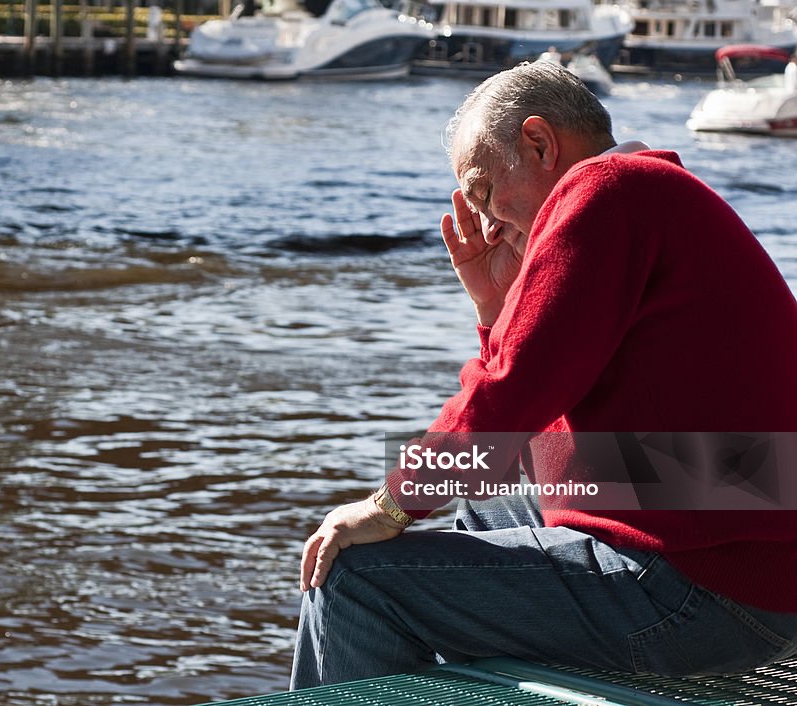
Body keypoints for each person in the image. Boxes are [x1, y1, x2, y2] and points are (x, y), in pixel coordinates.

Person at [290, 61, 797, 689]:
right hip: (744, 561)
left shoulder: (604, 191)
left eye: (483, 193)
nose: (491, 222)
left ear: (538, 142)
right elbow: (535, 430)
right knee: (483, 500)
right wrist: (498, 310)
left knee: (353, 580)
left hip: (705, 592)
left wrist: (391, 503)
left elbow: (512, 390)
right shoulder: (650, 192)